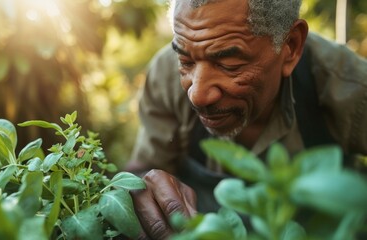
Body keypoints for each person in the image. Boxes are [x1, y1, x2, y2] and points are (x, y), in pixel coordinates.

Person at [125, 0, 367, 239]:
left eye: (228, 63)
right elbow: (143, 169)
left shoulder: (348, 87)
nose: (197, 95)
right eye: (186, 62)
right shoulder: (164, 75)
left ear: (290, 46)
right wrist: (144, 190)